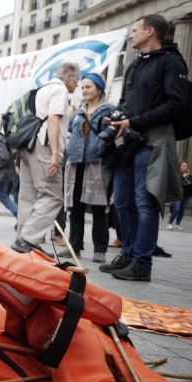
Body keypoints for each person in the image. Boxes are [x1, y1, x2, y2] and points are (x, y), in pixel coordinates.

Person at [100, 15, 186, 281]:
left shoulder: (172, 62)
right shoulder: (135, 65)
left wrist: (133, 120)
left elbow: (176, 104)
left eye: (134, 30)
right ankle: (128, 254)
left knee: (144, 202)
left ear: (150, 32)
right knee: (123, 202)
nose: (131, 35)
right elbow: (127, 102)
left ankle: (142, 263)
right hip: (128, 142)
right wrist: (117, 115)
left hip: (152, 141)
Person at [12, 62, 80, 256]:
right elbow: (53, 121)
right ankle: (27, 239)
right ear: (69, 76)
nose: (77, 84)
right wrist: (56, 155)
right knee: (53, 194)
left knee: (28, 195)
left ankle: (23, 240)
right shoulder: (59, 91)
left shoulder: (41, 90)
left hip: (26, 146)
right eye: (76, 79)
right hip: (43, 146)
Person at [63, 73, 115, 263]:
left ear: (99, 89)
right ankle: (74, 246)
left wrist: (101, 146)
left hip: (98, 164)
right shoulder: (77, 113)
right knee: (75, 208)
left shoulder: (109, 110)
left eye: (89, 87)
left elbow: (114, 133)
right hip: (76, 164)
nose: (84, 90)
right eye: (83, 87)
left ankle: (100, 250)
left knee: (100, 208)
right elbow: (69, 134)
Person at [166, 161, 192, 231]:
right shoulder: (176, 174)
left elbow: (189, 184)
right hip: (178, 195)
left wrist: (186, 176)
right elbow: (177, 183)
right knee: (177, 209)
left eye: (186, 166)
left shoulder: (188, 175)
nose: (184, 167)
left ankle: (177, 224)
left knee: (182, 210)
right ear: (180, 167)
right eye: (183, 166)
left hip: (186, 195)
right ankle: (170, 223)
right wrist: (183, 177)